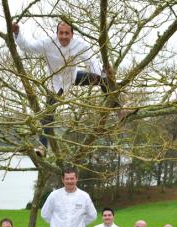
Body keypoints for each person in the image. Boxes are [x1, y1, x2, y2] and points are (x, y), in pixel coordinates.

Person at [12, 20, 112, 155]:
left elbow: (92, 62)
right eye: (61, 33)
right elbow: (28, 47)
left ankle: (118, 109)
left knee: (103, 80)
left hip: (72, 77)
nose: (64, 36)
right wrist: (17, 32)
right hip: (55, 83)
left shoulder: (80, 45)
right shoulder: (47, 43)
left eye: (67, 33)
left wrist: (103, 72)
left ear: (72, 34)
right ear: (57, 33)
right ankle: (42, 147)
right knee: (48, 114)